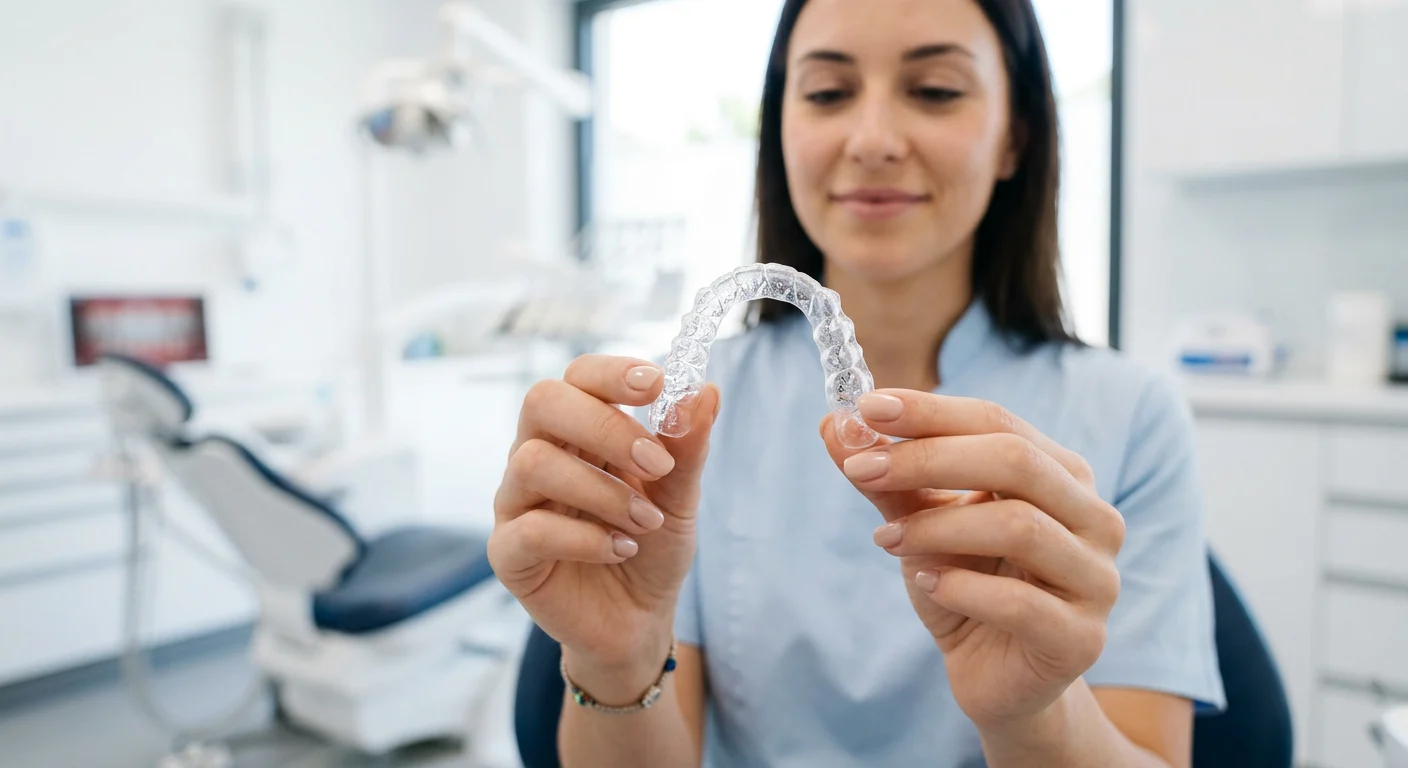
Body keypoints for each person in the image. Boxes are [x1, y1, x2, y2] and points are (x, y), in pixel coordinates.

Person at [488, 0, 1225, 765]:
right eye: (828, 94)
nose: (872, 141)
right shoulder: (683, 421)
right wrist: (618, 660)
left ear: (1016, 136)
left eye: (936, 90)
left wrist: (1036, 715)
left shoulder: (1130, 415)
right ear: (780, 133)